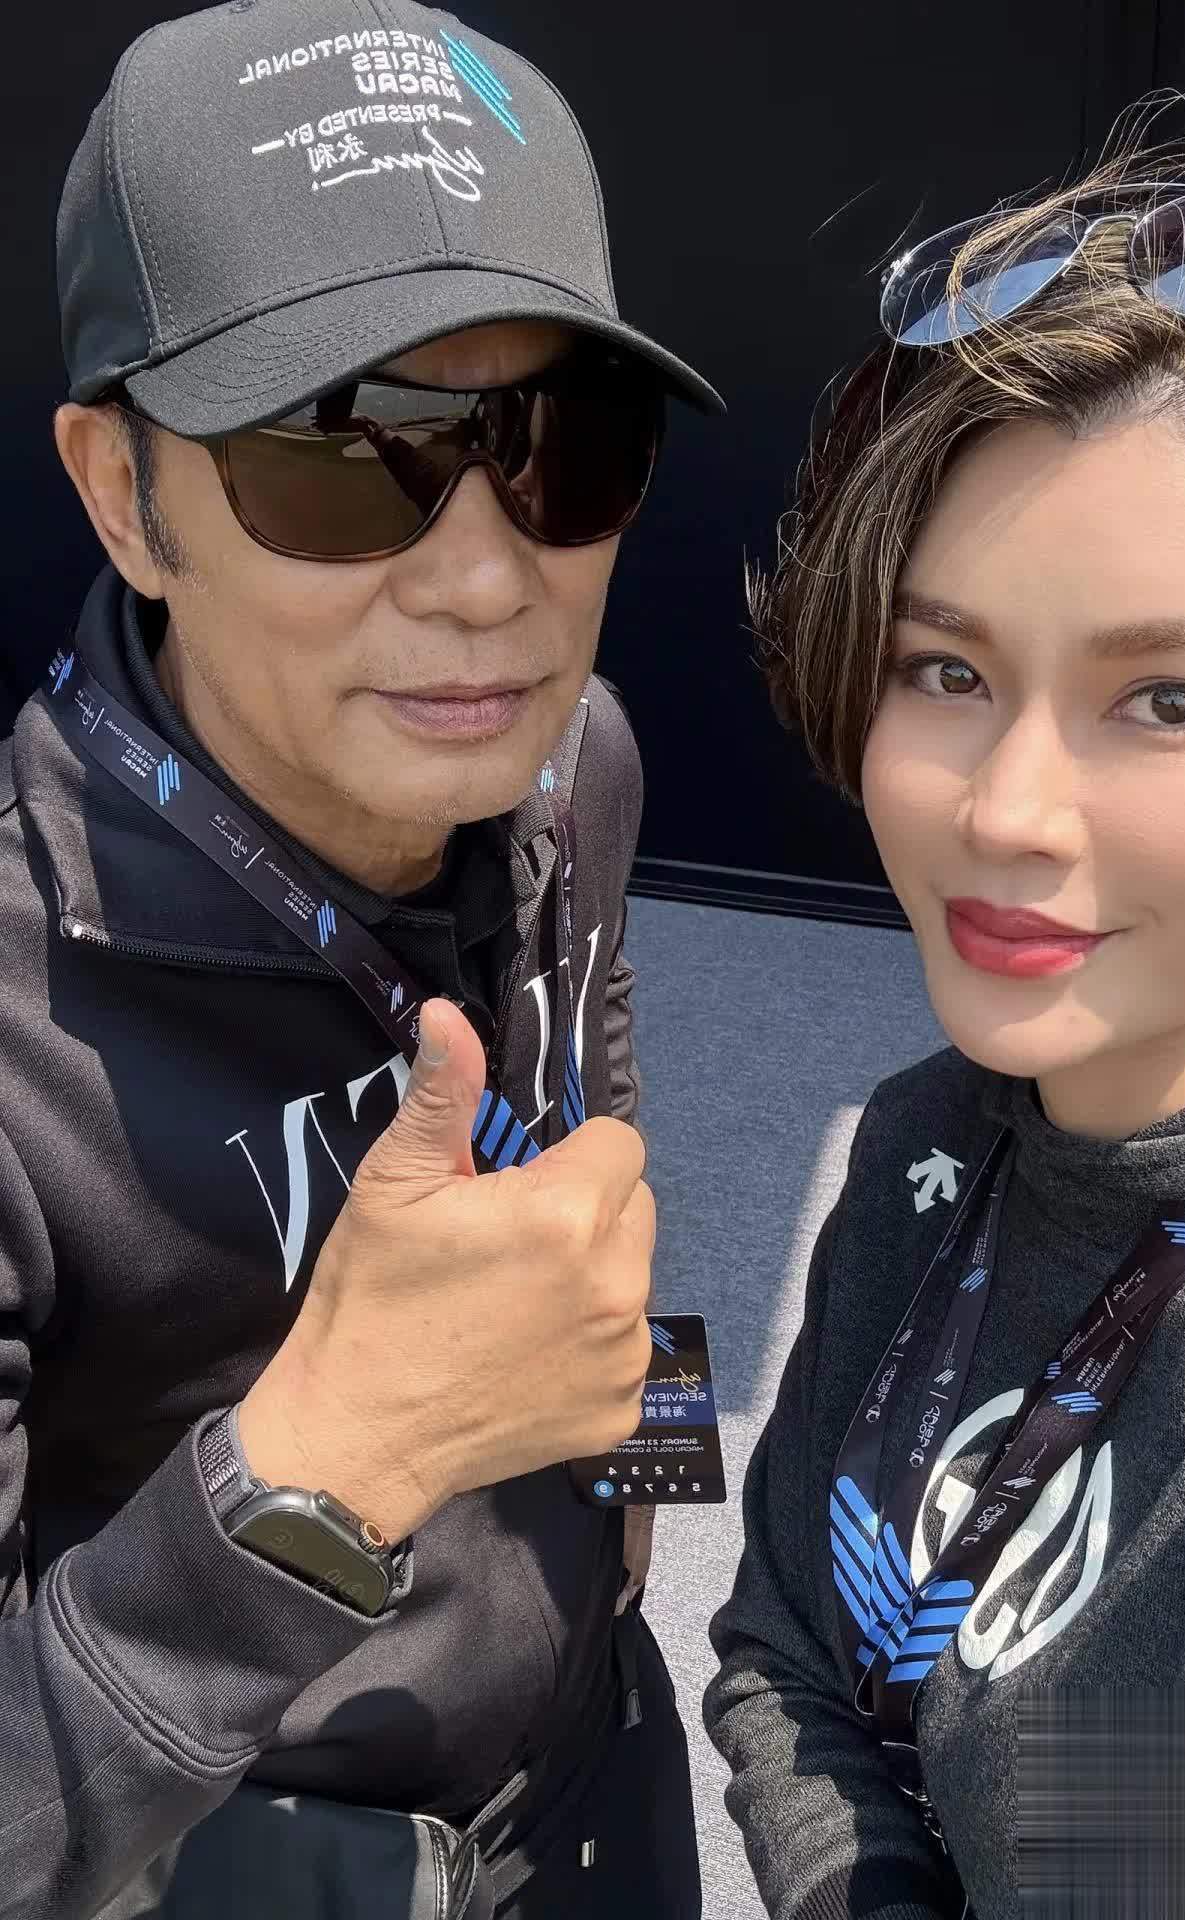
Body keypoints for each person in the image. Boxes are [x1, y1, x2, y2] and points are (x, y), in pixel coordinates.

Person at [0, 3, 722, 1916]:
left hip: (597, 1767)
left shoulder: (576, 764)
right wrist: (322, 1468)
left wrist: (646, 1510)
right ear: (121, 493)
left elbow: (602, 1143)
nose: (487, 581)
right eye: (341, 455)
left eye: (560, 447)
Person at [705, 133, 1185, 1920]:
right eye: (948, 671)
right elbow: (791, 1644)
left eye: (1168, 699)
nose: (1010, 812)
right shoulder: (930, 1141)